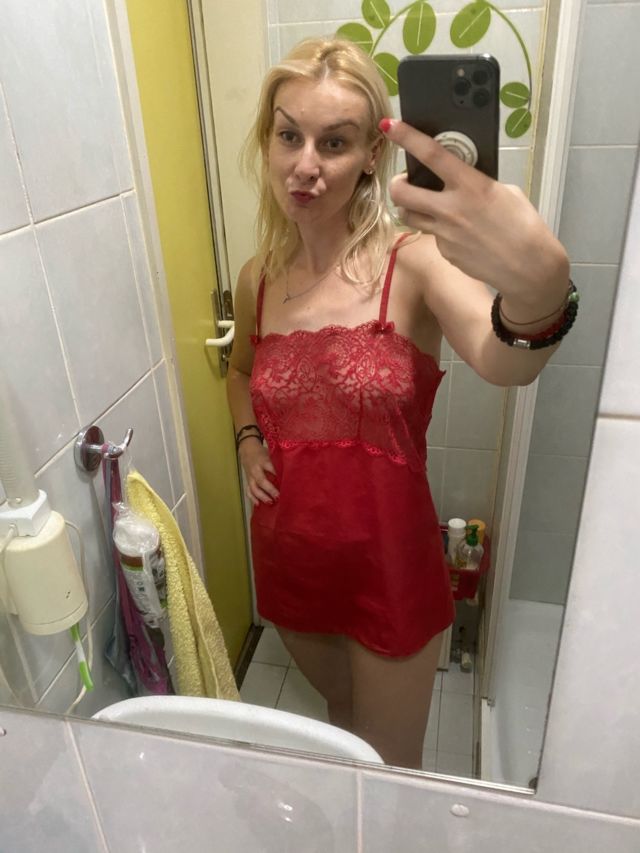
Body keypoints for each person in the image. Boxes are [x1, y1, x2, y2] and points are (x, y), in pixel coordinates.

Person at [226, 37, 572, 769]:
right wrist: (248, 440)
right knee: (339, 724)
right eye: (289, 136)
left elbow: (505, 360)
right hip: (293, 554)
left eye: (335, 142)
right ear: (268, 142)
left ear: (370, 157)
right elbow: (238, 371)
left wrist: (541, 287)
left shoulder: (412, 262)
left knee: (389, 772)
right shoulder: (257, 277)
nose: (306, 164)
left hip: (389, 565)